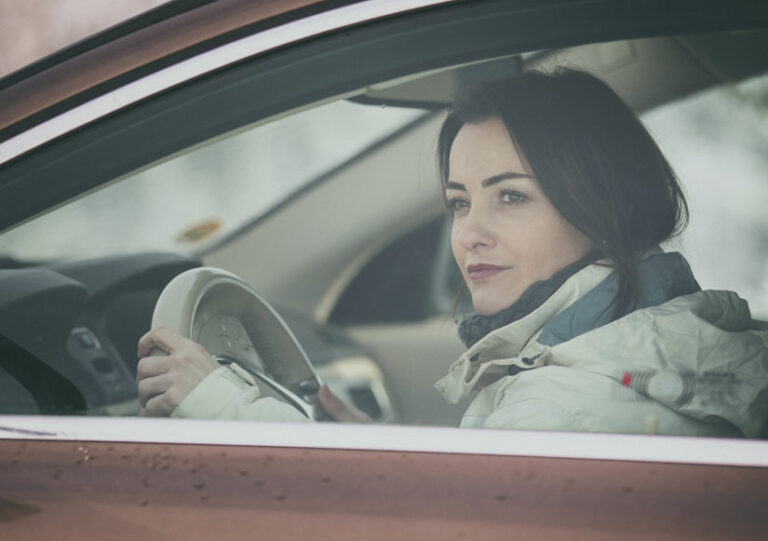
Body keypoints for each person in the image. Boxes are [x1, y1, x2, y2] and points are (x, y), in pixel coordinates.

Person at [137, 68, 768, 437]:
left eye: (511, 198)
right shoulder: (677, 341)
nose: (468, 233)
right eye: (460, 202)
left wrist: (227, 406)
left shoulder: (554, 412)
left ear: (601, 206)